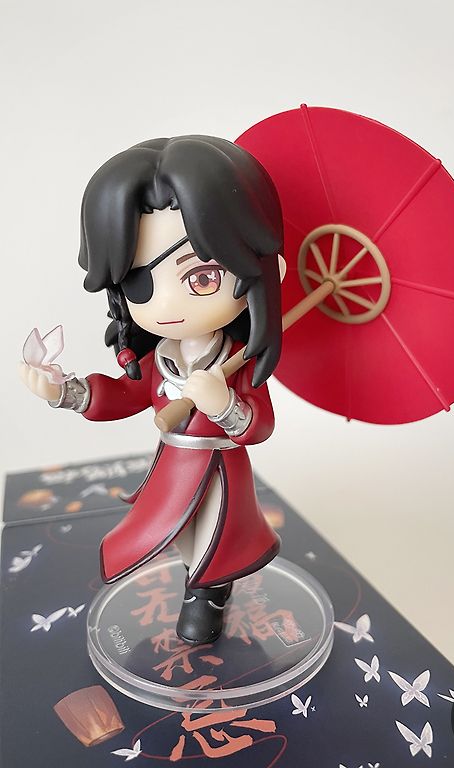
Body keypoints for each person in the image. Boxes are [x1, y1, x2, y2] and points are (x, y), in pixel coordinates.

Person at [20, 135, 287, 645]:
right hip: (172, 466)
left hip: (220, 469)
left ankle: (208, 595)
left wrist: (225, 405)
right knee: (180, 537)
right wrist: (66, 392)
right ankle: (200, 580)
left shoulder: (237, 360)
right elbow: (123, 396)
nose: (166, 304)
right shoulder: (160, 355)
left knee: (215, 539)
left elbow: (261, 424)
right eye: (139, 282)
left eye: (201, 278)